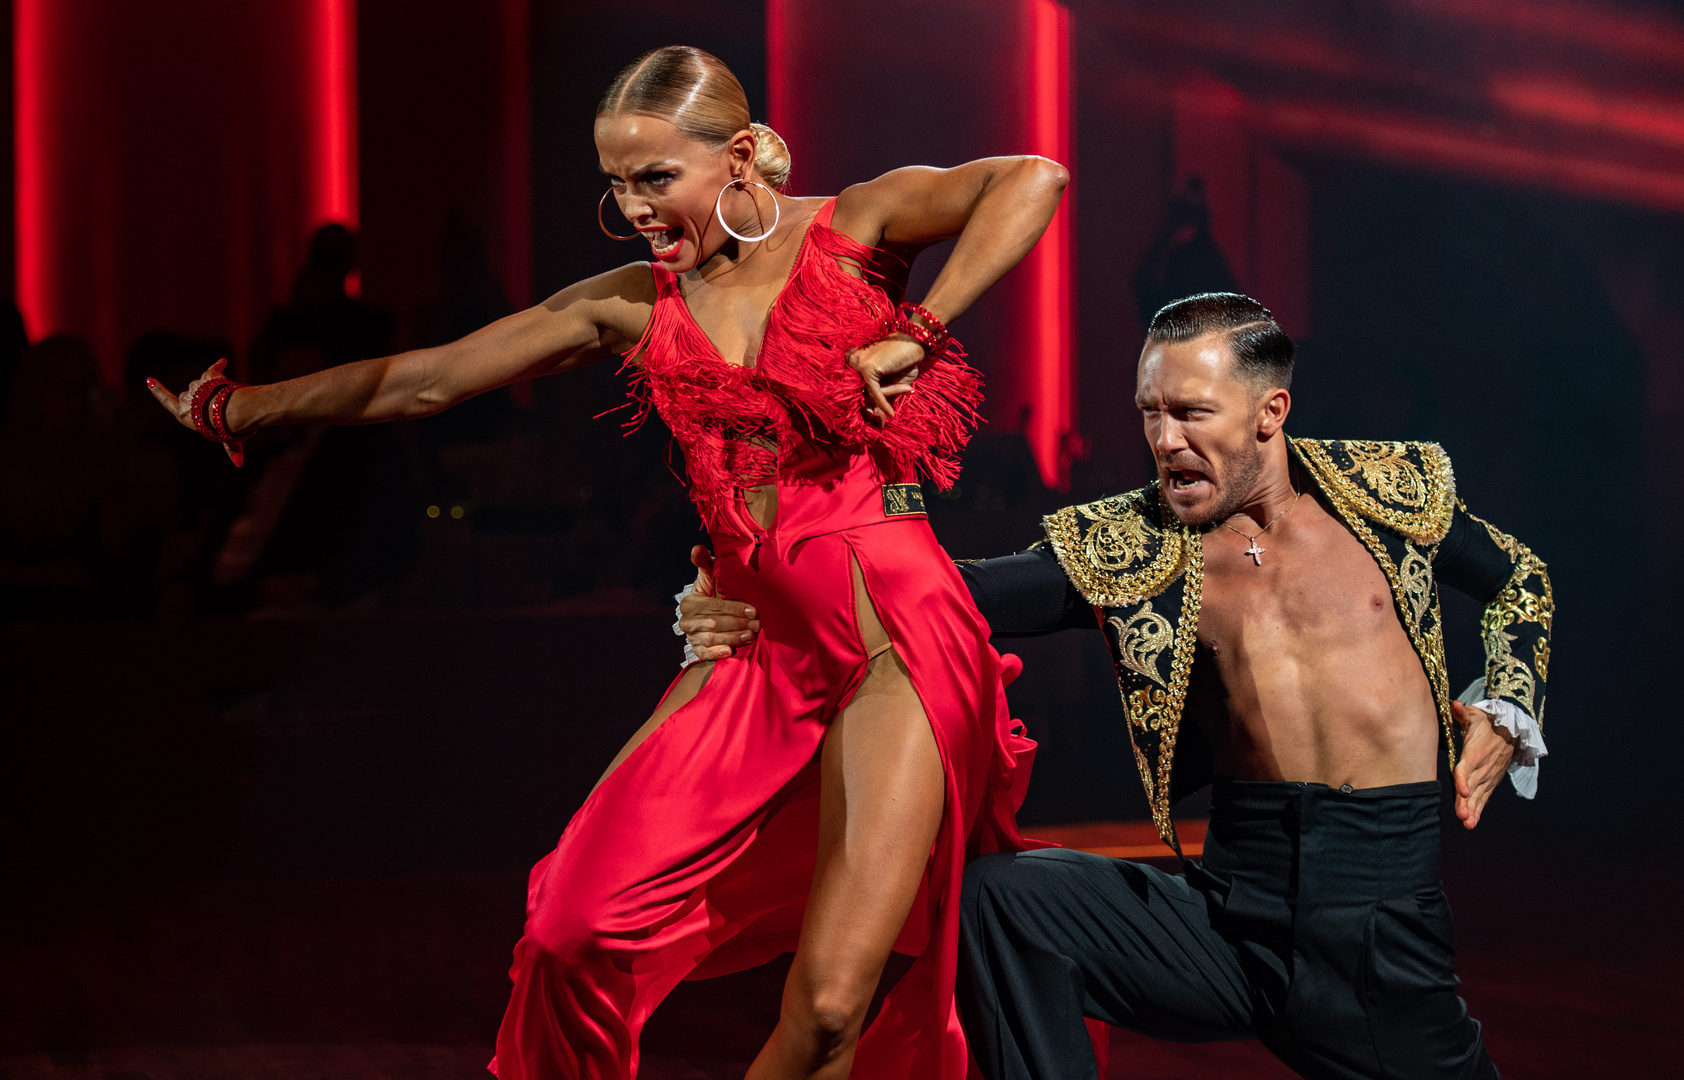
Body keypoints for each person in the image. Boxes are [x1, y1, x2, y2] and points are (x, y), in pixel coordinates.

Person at [147, 45, 1068, 1080]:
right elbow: (426, 383)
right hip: (757, 650)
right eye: (616, 182)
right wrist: (245, 409)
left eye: (654, 176)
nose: (632, 204)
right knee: (572, 932)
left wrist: (920, 330)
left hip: (898, 638)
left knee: (827, 1006)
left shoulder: (854, 226)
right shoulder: (631, 303)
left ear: (746, 153)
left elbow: (1032, 176)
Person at [679, 292, 1553, 1078]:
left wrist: (1509, 704)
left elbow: (1520, 575)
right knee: (1010, 903)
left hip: (1378, 932)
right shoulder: (1127, 547)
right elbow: (937, 595)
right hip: (1232, 915)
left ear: (1268, 412)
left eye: (1191, 413)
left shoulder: (1387, 496)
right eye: (1150, 413)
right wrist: (742, 600)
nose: (1166, 440)